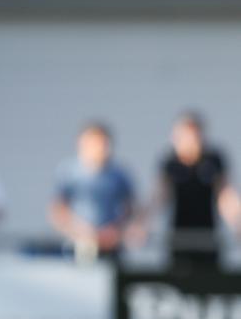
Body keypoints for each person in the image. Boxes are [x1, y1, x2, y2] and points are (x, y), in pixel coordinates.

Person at [144, 112, 241, 270]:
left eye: (194, 136)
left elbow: (226, 197)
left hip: (208, 237)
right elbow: (159, 197)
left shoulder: (213, 160)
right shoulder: (170, 163)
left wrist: (238, 224)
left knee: (209, 282)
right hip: (179, 237)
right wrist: (143, 224)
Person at [49, 123, 134, 261]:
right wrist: (80, 230)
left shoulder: (119, 174)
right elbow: (57, 210)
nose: (99, 148)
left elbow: (130, 208)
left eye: (102, 143)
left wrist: (116, 230)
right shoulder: (69, 172)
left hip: (111, 246)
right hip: (79, 245)